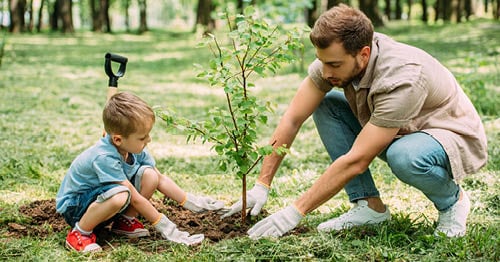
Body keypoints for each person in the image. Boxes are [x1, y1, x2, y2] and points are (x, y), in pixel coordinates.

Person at [222, 4, 487, 239]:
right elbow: (293, 117)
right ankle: (369, 207)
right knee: (326, 106)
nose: (326, 72)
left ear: (363, 53)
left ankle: (453, 202)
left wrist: (294, 211)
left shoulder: (402, 77)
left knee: (404, 156)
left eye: (334, 65)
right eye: (321, 62)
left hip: (446, 134)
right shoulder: (333, 62)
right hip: (398, 127)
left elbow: (358, 159)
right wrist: (262, 184)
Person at [56, 92, 224, 252]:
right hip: (77, 207)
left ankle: (124, 222)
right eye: (143, 137)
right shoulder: (104, 157)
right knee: (121, 194)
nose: (148, 140)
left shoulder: (132, 148)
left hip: (101, 200)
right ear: (118, 139)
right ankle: (80, 233)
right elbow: (135, 199)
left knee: (150, 175)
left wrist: (191, 202)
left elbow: (160, 179)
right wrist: (167, 228)